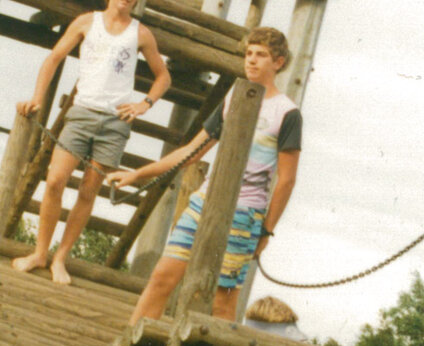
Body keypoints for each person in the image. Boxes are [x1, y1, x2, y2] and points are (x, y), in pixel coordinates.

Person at [109, 26, 301, 323]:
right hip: (205, 201)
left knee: (222, 301)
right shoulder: (231, 99)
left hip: (245, 212)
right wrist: (137, 174)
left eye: (260, 55)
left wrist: (267, 230)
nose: (251, 60)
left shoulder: (287, 113)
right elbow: (192, 152)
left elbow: (287, 180)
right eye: (249, 53)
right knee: (161, 277)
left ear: (278, 62)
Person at [12, 0, 170, 284]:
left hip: (115, 123)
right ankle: (40, 252)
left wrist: (145, 103)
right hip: (82, 113)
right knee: (55, 179)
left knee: (88, 191)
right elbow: (54, 58)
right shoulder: (87, 22)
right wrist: (38, 98)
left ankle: (60, 259)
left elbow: (163, 76)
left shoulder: (141, 33)